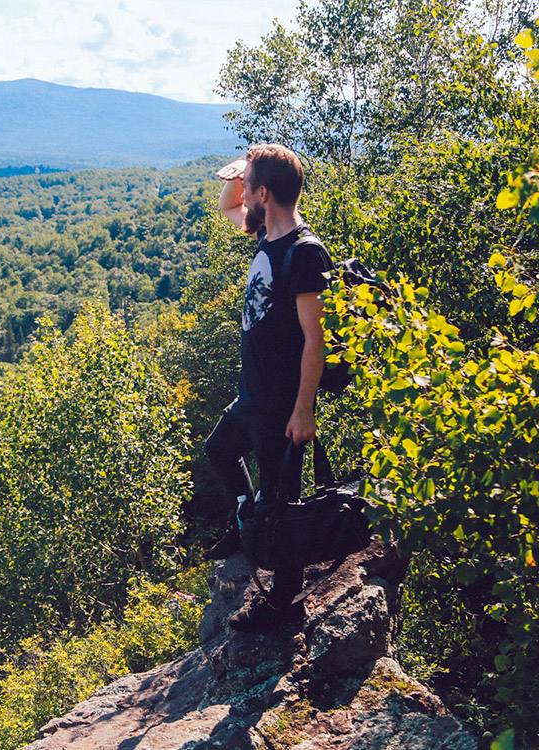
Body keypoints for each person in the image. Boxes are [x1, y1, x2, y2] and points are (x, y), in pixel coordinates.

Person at [205, 144, 335, 631]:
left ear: (263, 193)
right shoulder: (266, 233)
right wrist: (240, 171)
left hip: (281, 402)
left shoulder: (304, 252)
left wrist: (304, 411)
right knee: (220, 452)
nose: (240, 193)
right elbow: (227, 206)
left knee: (281, 504)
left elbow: (313, 340)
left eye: (248, 184)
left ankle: (285, 603)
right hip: (251, 394)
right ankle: (245, 522)